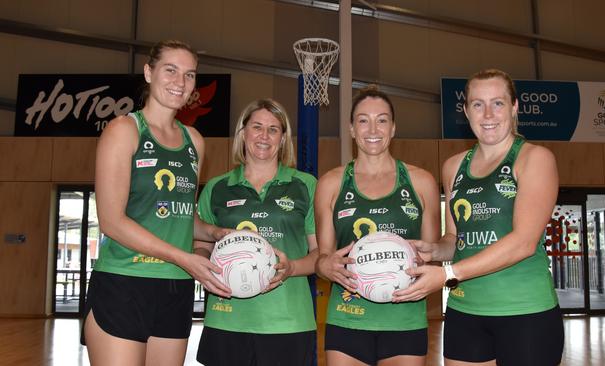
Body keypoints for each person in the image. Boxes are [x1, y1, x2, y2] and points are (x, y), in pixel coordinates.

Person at [393, 68, 565, 365]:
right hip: (465, 310)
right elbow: (455, 240)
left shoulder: (535, 158)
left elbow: (524, 242)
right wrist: (433, 250)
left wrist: (447, 274)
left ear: (514, 108)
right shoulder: (452, 166)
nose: (488, 114)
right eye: (477, 104)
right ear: (466, 111)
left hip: (525, 312)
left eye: (497, 103)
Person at [83, 40, 231, 366]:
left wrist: (215, 232)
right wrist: (183, 257)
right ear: (149, 73)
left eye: (189, 75)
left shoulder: (194, 140)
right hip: (125, 283)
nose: (180, 82)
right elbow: (111, 221)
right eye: (171, 70)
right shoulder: (124, 130)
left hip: (175, 289)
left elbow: (181, 215)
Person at [315, 85, 440, 366]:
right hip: (347, 316)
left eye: (382, 120)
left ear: (393, 128)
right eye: (363, 120)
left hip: (405, 319)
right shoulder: (331, 183)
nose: (373, 129)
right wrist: (325, 266)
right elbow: (322, 258)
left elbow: (433, 259)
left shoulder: (421, 182)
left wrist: (423, 273)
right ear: (351, 128)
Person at [194, 98, 319, 366]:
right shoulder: (217, 187)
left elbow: (321, 253)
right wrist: (203, 266)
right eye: (257, 127)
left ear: (283, 138)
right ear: (243, 133)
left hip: (288, 322)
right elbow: (201, 242)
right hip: (227, 319)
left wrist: (292, 267)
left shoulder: (306, 185)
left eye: (274, 129)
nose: (264, 136)